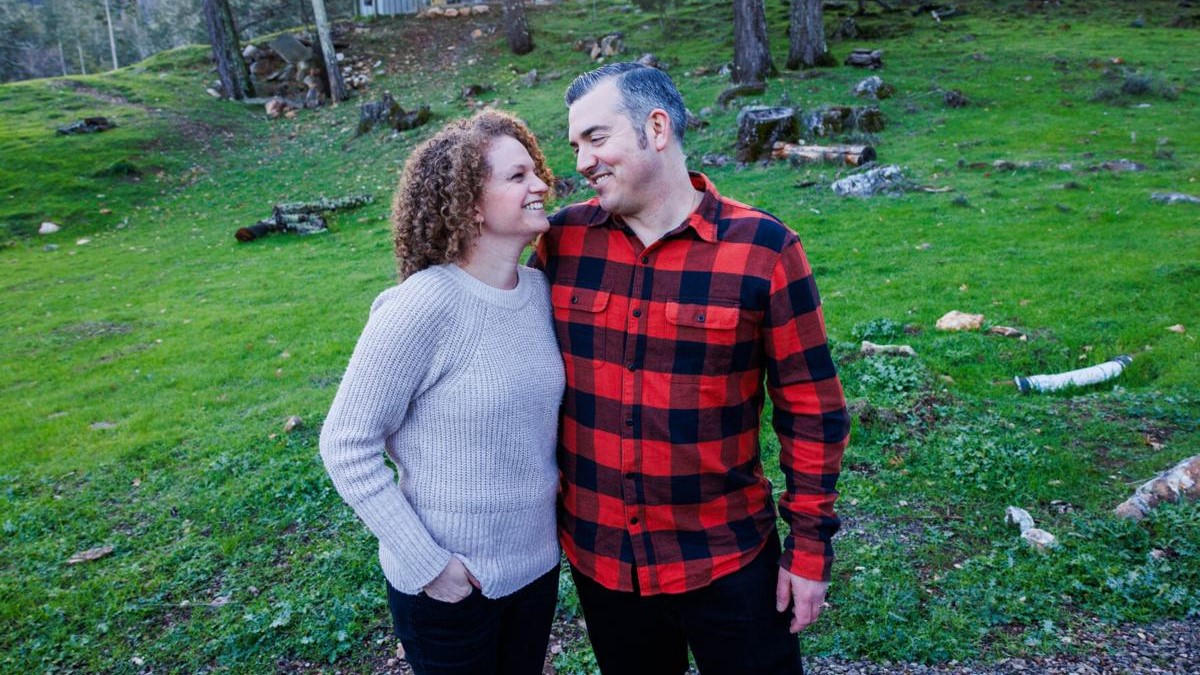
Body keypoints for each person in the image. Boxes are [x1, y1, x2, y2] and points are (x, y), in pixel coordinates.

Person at [530, 62, 850, 675]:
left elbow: (812, 411)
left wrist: (809, 550)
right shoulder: (562, 243)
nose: (581, 163)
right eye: (575, 146)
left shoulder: (764, 249)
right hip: (604, 564)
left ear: (656, 128)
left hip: (726, 558)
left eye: (596, 139)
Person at [320, 110, 564, 675]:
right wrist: (428, 564)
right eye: (517, 177)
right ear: (470, 205)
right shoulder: (422, 306)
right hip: (448, 585)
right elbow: (346, 444)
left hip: (535, 569)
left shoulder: (540, 294)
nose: (541, 186)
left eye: (536, 172)